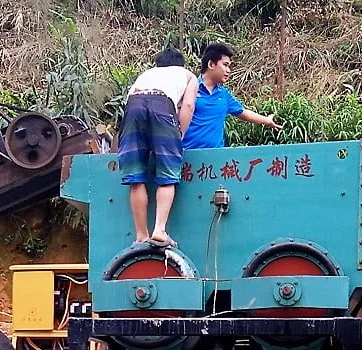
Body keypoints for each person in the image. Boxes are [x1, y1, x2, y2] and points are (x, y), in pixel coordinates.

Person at [118, 47, 198, 247]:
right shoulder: (188, 76)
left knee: (135, 177)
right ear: (180, 64)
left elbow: (128, 103)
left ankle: (141, 235)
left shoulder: (146, 75)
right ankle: (160, 230)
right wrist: (179, 134)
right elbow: (187, 106)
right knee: (167, 172)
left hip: (133, 108)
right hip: (162, 105)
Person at [183, 42, 282, 149]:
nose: (228, 71)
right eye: (225, 65)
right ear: (211, 64)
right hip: (188, 156)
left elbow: (244, 113)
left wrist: (266, 120)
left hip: (216, 157)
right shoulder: (188, 89)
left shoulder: (224, 94)